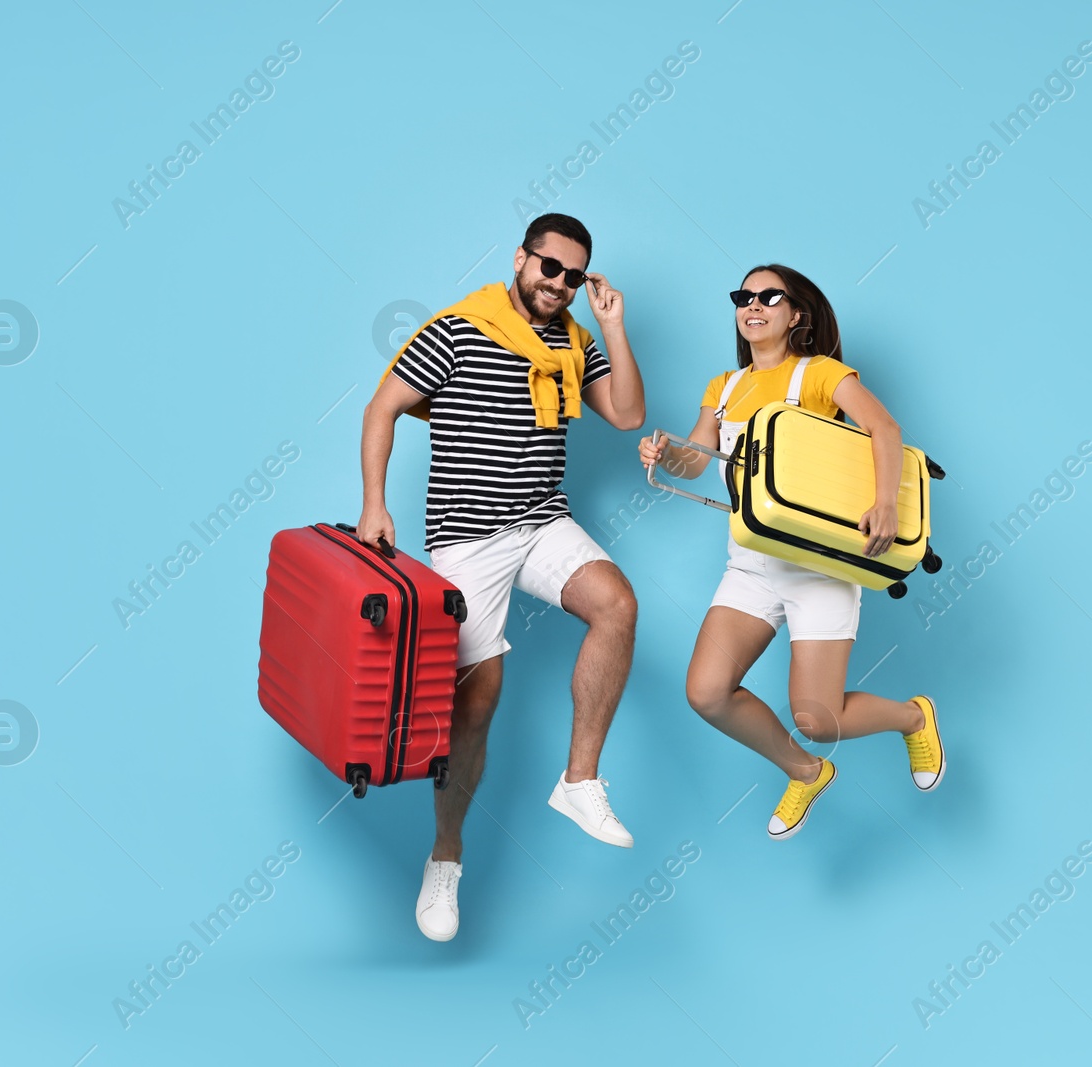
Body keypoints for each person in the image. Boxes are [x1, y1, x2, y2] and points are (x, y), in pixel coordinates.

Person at [360, 214, 646, 941]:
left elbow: (626, 414)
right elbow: (384, 406)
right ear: (520, 259)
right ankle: (445, 857)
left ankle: (579, 783)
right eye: (549, 267)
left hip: (542, 519)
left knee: (617, 603)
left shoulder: (575, 340)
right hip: (467, 536)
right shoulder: (458, 328)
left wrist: (611, 325)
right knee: (477, 701)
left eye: (575, 276)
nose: (559, 284)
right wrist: (374, 505)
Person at [639, 264, 944, 841]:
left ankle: (913, 716)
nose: (753, 306)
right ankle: (805, 772)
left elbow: (884, 426)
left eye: (768, 297)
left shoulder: (821, 374)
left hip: (819, 568)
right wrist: (664, 454)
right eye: (743, 297)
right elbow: (699, 459)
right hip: (751, 564)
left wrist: (885, 503)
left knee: (818, 720)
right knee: (706, 692)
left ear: (795, 313)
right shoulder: (723, 388)